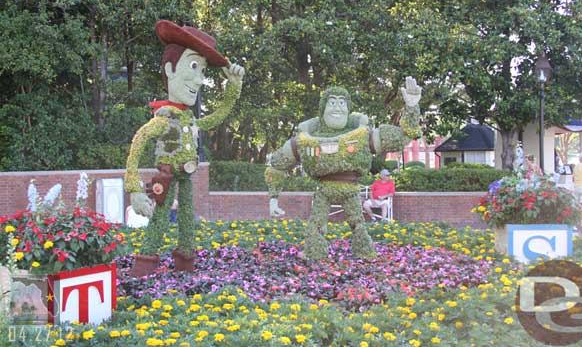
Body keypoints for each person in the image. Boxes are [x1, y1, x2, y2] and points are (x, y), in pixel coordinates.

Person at [125, 20, 244, 276]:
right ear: (170, 69)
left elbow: (217, 116)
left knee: (188, 221)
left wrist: (233, 87)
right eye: (193, 67)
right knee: (160, 219)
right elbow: (138, 143)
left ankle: (185, 262)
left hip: (188, 177)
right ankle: (145, 265)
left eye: (202, 71)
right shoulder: (164, 118)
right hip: (166, 176)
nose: (200, 80)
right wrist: (134, 189)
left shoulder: (189, 118)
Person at [265, 78, 422, 260]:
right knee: (316, 224)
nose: (337, 108)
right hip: (324, 190)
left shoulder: (365, 136)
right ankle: (315, 253)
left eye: (342, 103)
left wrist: (411, 106)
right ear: (323, 108)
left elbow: (402, 137)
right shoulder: (303, 140)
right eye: (332, 103)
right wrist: (273, 198)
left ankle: (364, 251)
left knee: (358, 224)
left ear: (348, 109)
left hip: (350, 189)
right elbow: (277, 165)